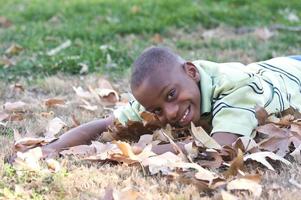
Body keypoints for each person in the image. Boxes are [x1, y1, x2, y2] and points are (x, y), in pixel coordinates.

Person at [43, 47, 301, 156]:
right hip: (275, 67)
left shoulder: (237, 88)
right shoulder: (160, 92)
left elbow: (219, 148)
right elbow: (104, 124)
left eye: (171, 96)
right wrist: (52, 148)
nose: (171, 113)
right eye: (157, 109)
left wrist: (123, 153)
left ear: (191, 72)